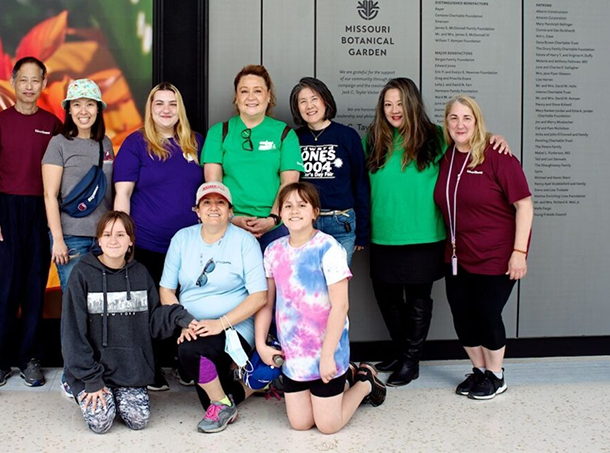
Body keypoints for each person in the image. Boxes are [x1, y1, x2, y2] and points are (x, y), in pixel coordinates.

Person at [364, 78, 509, 387]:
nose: (394, 110)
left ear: (412, 103)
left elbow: (469, 137)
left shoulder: (435, 136)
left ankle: (411, 361)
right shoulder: (374, 138)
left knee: (417, 301)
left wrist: (495, 138)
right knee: (387, 299)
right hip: (383, 233)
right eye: (388, 104)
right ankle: (401, 350)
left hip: (424, 235)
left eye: (400, 103)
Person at [255, 182, 386, 434]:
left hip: (327, 349)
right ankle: (346, 378)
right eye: (288, 206)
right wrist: (261, 343)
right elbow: (266, 303)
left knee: (328, 425)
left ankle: (364, 382)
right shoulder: (273, 251)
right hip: (294, 354)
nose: (294, 211)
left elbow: (340, 306)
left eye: (302, 205)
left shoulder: (328, 248)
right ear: (280, 213)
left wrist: (327, 356)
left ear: (315, 211)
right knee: (300, 423)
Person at [434, 95, 533, 400]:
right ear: (446, 123)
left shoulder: (497, 156)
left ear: (477, 122)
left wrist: (520, 252)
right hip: (456, 256)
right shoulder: (446, 156)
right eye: (454, 118)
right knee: (462, 315)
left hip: (496, 256)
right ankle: (479, 371)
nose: (460, 124)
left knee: (488, 314)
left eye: (467, 118)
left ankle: (496, 374)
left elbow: (524, 205)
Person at [62, 211, 196, 434]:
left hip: (130, 372)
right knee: (101, 423)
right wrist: (91, 380)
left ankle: (118, 394)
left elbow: (153, 322)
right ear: (99, 239)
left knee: (138, 420)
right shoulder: (82, 274)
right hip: (93, 373)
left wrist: (178, 316)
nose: (113, 240)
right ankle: (89, 391)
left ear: (130, 240)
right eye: (107, 234)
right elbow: (72, 333)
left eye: (120, 234)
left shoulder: (140, 274)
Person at [113, 82, 204, 390]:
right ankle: (151, 367)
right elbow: (123, 194)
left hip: (191, 245)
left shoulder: (196, 143)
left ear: (181, 109)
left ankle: (185, 362)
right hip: (148, 243)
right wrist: (122, 239)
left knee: (187, 305)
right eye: (159, 104)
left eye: (172, 103)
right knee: (149, 308)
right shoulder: (136, 144)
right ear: (150, 109)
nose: (166, 110)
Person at [159, 182, 267, 433]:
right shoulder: (182, 238)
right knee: (207, 390)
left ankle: (222, 399)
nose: (214, 208)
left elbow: (259, 296)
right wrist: (183, 320)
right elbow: (166, 289)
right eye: (207, 202)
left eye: (220, 202)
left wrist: (220, 323)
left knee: (190, 353)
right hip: (193, 326)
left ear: (231, 211)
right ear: (197, 210)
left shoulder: (244, 241)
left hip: (234, 326)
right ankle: (254, 382)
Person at [0, 57, 62, 388]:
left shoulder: (53, 124)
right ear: (13, 81)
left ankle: (30, 359)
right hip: (5, 209)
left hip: (40, 209)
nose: (29, 86)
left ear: (44, 84)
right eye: (23, 80)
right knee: (3, 290)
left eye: (35, 80)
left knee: (33, 290)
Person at [202, 65, 305, 251]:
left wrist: (272, 219)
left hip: (276, 229)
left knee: (273, 281)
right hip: (229, 227)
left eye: (257, 91)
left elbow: (289, 184)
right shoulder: (219, 132)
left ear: (268, 96)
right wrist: (232, 218)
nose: (251, 97)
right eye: (244, 91)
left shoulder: (284, 133)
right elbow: (214, 184)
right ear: (236, 97)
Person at [42, 78, 114, 293]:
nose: (84, 111)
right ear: (69, 110)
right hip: (72, 237)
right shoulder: (59, 143)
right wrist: (58, 239)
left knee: (102, 302)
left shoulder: (106, 143)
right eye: (77, 104)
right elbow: (49, 194)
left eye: (90, 104)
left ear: (98, 109)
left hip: (104, 237)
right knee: (77, 301)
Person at [290, 77, 369, 264]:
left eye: (314, 98)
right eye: (303, 101)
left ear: (325, 100)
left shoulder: (347, 136)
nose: (309, 106)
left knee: (336, 287)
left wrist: (363, 232)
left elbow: (360, 183)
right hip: (305, 222)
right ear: (297, 108)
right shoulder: (293, 138)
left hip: (342, 223)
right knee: (307, 286)